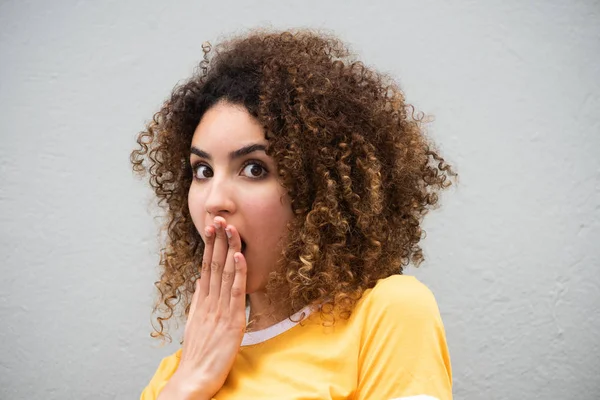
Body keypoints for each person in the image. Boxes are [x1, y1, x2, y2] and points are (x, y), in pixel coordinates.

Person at [131, 28, 456, 400]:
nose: (214, 200)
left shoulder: (389, 312)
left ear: (318, 190)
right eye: (203, 171)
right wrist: (189, 384)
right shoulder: (175, 375)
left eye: (254, 168)